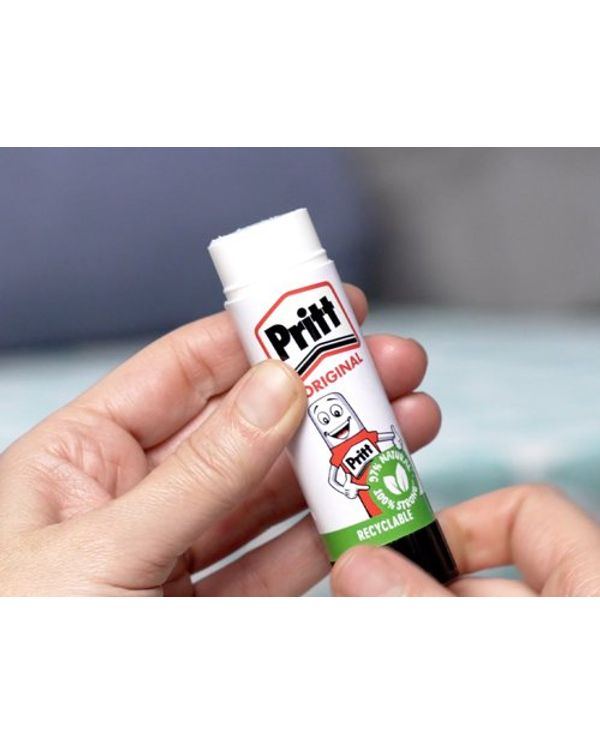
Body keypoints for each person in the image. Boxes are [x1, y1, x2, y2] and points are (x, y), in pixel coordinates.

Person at [0, 285, 598, 596]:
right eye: (330, 419)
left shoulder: (359, 424)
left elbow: (373, 446)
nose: (333, 422)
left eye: (337, 417)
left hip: (387, 498)